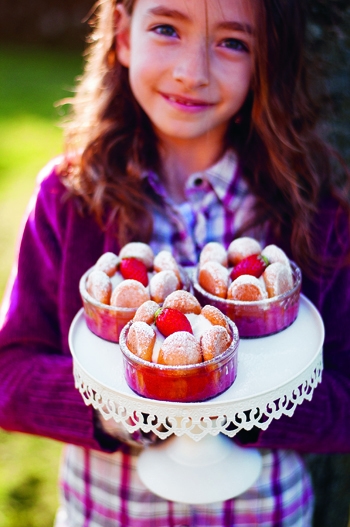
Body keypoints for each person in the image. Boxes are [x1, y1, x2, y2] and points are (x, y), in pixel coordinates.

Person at [0, 0, 349, 525]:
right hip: (106, 513)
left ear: (266, 61)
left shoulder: (312, 210)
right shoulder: (69, 198)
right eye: (167, 28)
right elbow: (10, 376)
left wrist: (246, 404)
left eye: (233, 42)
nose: (193, 72)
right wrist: (122, 411)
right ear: (122, 34)